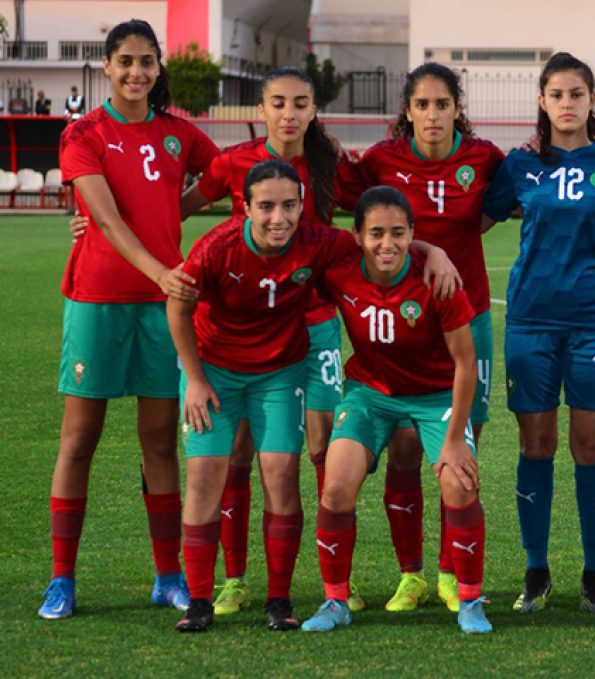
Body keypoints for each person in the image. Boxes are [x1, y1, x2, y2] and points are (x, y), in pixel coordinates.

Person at [38, 19, 219, 620]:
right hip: (98, 298)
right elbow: (108, 220)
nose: (137, 72)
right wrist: (160, 270)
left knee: (160, 440)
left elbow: (220, 179)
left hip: (162, 304)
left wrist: (178, 209)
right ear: (108, 67)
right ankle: (62, 580)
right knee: (80, 439)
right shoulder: (83, 132)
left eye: (147, 62)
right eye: (125, 62)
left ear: (157, 69)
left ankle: (168, 575)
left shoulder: (177, 133)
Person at [482, 52, 595, 614]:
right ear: (542, 100)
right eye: (556, 94)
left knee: (591, 447)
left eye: (576, 93)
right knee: (535, 445)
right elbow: (470, 226)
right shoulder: (519, 167)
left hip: (594, 323)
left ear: (590, 100)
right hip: (530, 321)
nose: (566, 103)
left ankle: (594, 574)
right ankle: (536, 572)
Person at [337, 62, 504, 615]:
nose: (432, 115)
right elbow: (347, 205)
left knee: (459, 449)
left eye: (442, 104)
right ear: (407, 111)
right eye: (422, 105)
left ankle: (452, 573)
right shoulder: (384, 159)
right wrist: (430, 250)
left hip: (465, 320)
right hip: (399, 327)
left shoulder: (484, 159)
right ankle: (411, 575)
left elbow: (520, 200)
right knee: (405, 451)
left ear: (458, 108)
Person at [168, 160, 358, 632]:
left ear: (301, 205)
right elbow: (178, 307)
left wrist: (429, 250)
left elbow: (379, 240)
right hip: (213, 374)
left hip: (279, 374)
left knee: (280, 474)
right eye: (267, 206)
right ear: (246, 207)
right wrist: (193, 378)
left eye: (289, 205)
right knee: (205, 478)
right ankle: (198, 601)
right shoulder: (218, 247)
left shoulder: (317, 242)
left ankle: (279, 598)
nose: (280, 218)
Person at [300, 186, 491, 635]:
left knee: (459, 485)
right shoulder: (340, 272)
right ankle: (335, 600)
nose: (388, 244)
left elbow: (466, 364)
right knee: (335, 486)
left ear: (412, 235)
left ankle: (470, 601)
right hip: (369, 393)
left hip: (436, 397)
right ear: (358, 236)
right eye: (377, 234)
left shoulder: (437, 280)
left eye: (399, 234)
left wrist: (455, 439)